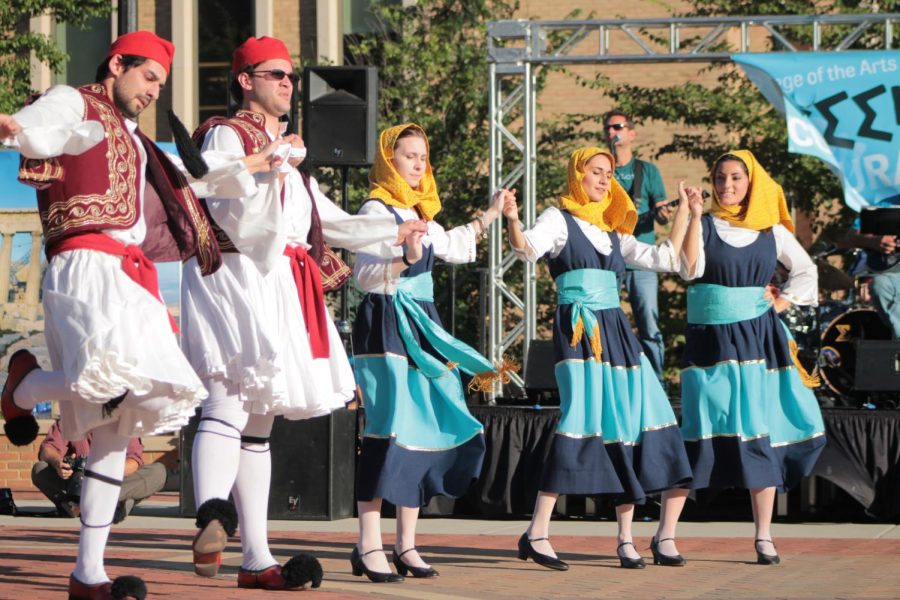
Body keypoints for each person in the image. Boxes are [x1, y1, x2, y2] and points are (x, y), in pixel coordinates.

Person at [0, 30, 276, 600]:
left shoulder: (140, 142)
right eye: (148, 77)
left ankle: (89, 573)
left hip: (130, 279)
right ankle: (24, 387)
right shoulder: (77, 100)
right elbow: (46, 123)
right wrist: (18, 128)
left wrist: (259, 159)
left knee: (127, 413)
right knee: (106, 385)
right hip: (82, 264)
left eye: (160, 84)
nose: (153, 91)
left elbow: (191, 175)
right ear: (117, 63)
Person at [182, 37, 426, 591]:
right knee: (229, 395)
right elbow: (207, 178)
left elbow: (328, 220)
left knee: (261, 418)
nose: (287, 84)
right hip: (235, 273)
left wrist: (394, 229)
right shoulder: (229, 132)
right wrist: (266, 162)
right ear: (246, 80)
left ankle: (256, 558)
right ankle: (213, 516)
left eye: (290, 76)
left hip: (280, 284)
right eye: (274, 74)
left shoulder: (289, 154)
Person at [502, 146, 700, 570]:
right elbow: (526, 249)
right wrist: (513, 219)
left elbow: (665, 257)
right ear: (579, 174)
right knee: (580, 419)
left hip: (617, 333)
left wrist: (685, 210)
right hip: (579, 330)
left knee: (629, 419)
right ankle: (537, 531)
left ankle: (627, 539)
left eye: (609, 174)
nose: (604, 180)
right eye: (596, 172)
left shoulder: (613, 233)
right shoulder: (559, 219)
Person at [350, 123, 508, 583]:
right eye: (409, 156)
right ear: (389, 159)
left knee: (425, 423)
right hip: (386, 323)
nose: (419, 164)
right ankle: (368, 544)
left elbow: (456, 244)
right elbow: (363, 277)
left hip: (423, 323)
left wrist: (491, 214)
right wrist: (406, 257)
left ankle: (407, 544)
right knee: (388, 427)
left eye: (423, 156)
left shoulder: (424, 213)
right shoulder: (376, 209)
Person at [655, 150, 825, 566]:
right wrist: (694, 215)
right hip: (709, 344)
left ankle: (764, 537)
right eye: (720, 178)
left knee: (756, 428)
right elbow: (689, 269)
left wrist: (781, 302)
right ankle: (664, 535)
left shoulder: (771, 231)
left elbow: (807, 271)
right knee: (698, 428)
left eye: (735, 178)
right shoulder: (708, 224)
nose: (726, 185)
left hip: (756, 343)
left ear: (751, 183)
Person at [604, 109, 672, 384]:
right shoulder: (601, 169)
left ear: (632, 133)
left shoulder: (647, 171)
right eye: (607, 128)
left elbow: (662, 210)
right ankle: (611, 381)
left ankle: (656, 385)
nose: (612, 132)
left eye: (617, 126)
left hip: (642, 260)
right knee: (606, 322)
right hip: (608, 258)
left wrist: (664, 214)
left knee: (649, 325)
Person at [32, 420, 166, 522]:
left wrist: (102, 471)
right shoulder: (70, 418)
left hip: (112, 483)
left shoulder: (125, 421)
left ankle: (84, 505)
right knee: (40, 469)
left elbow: (134, 462)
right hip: (78, 485)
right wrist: (58, 463)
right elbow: (47, 449)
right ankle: (113, 505)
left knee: (158, 472)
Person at [838, 225, 900, 337]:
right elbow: (851, 236)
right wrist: (873, 241)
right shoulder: (881, 209)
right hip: (890, 274)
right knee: (879, 285)